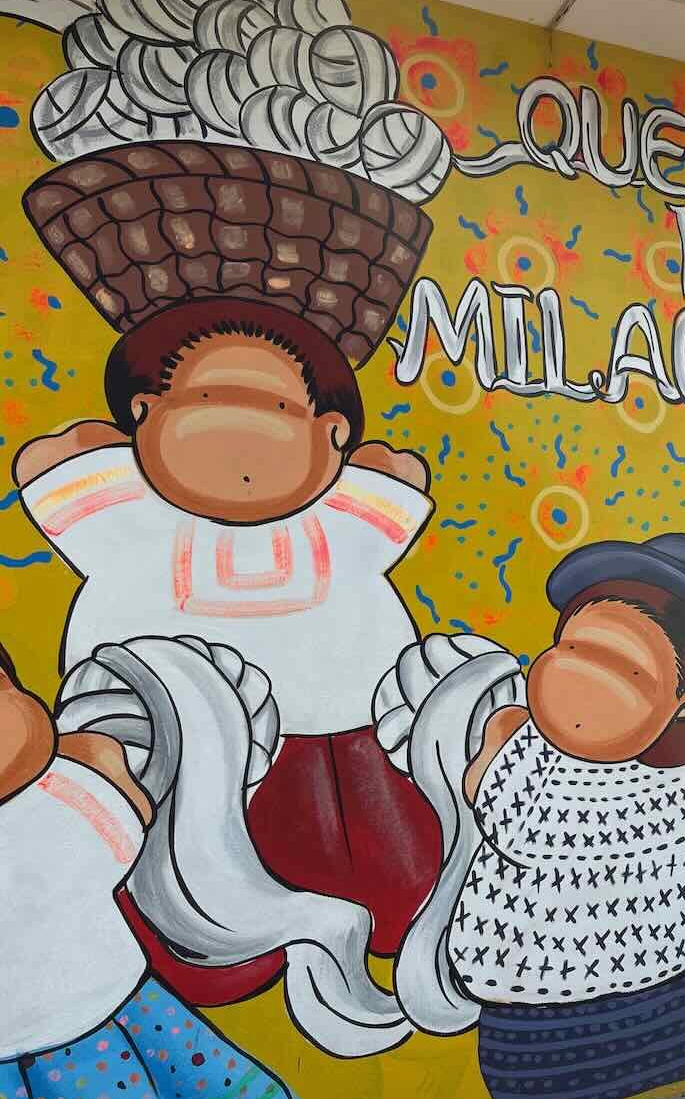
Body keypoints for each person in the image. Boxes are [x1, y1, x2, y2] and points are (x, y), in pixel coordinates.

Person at [15, 297, 438, 1003]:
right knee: (202, 910)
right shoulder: (130, 520)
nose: (240, 430)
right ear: (144, 417)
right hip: (191, 751)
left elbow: (390, 484)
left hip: (347, 739)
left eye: (274, 405)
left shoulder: (339, 522)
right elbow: (60, 466)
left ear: (330, 434)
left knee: (387, 875)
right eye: (208, 399)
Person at [382, 534, 685, 1099]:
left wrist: (498, 738)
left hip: (558, 1022)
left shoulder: (541, 770)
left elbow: (487, 799)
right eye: (570, 649)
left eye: (622, 667)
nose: (576, 676)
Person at [0, 641, 296, 1099]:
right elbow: (119, 836)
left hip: (121, 1001)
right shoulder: (54, 801)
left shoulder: (55, 789)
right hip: (86, 1024)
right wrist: (104, 768)